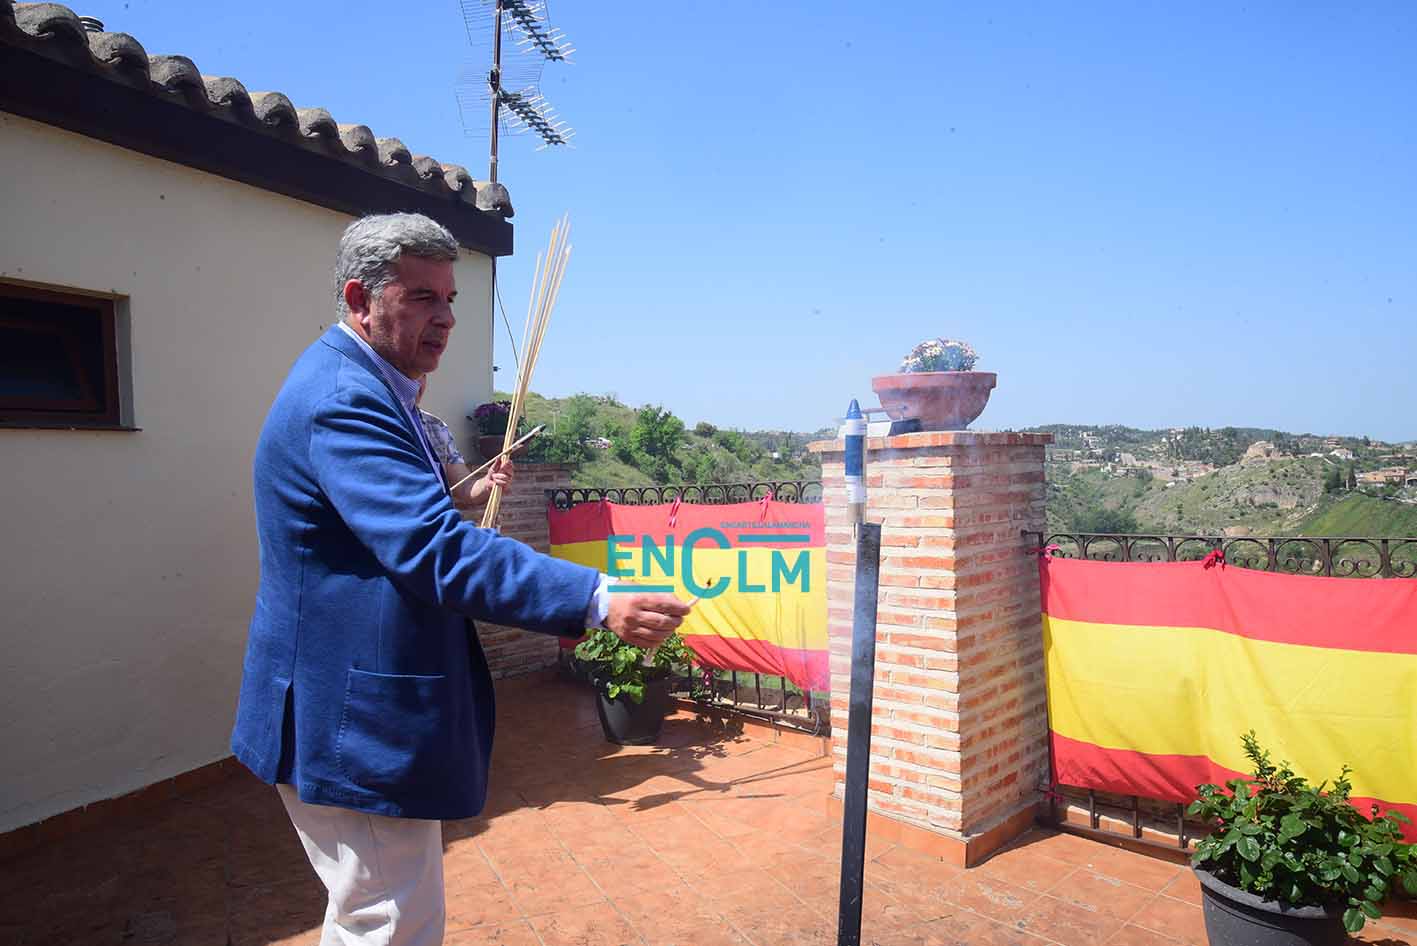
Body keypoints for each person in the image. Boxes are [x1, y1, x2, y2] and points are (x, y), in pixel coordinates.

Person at [230, 212, 690, 946]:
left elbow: (393, 527)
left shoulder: (375, 387)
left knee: (374, 913)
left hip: (346, 705)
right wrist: (595, 598)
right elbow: (432, 548)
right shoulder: (346, 399)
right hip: (344, 716)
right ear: (360, 299)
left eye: (449, 299)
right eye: (421, 297)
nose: (444, 318)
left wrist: (462, 506)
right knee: (389, 921)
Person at [414, 376, 507, 511]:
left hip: (435, 521)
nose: (417, 382)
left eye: (422, 375)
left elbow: (465, 487)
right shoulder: (382, 426)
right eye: (409, 373)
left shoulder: (436, 427)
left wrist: (488, 483)